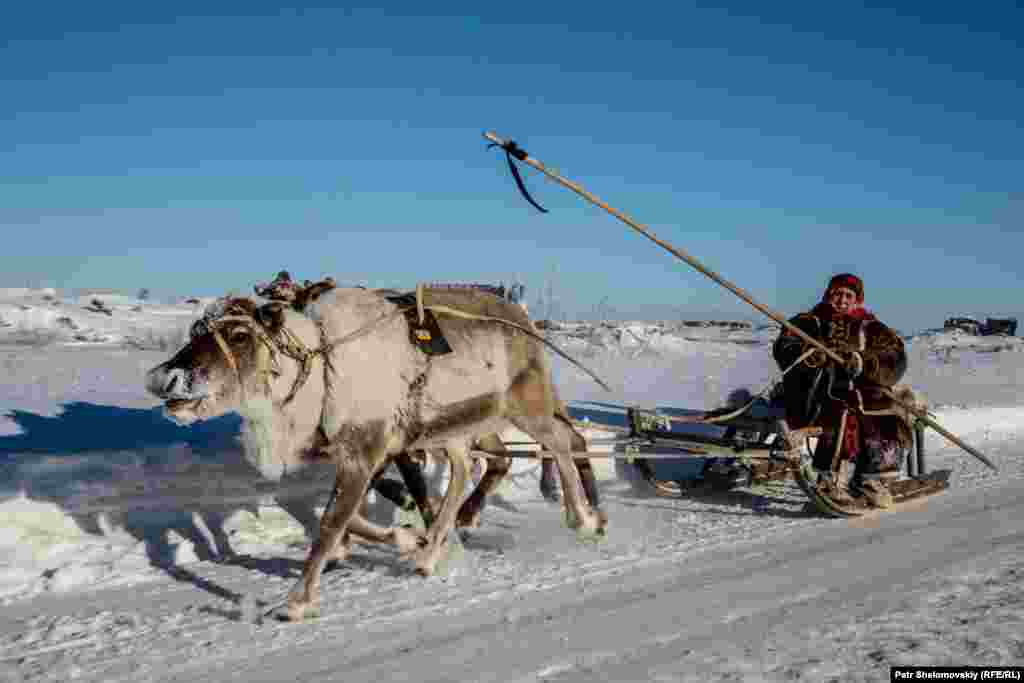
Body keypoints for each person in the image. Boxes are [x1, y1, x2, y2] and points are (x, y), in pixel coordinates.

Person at [772, 273, 909, 508]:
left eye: (849, 295)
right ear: (828, 295)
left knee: (886, 410)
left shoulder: (871, 326)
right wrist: (809, 355)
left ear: (858, 300)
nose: (843, 299)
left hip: (862, 391)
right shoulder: (808, 321)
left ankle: (873, 480)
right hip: (811, 394)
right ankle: (830, 479)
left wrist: (865, 362)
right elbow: (784, 347)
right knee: (841, 409)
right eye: (837, 293)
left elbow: (895, 357)